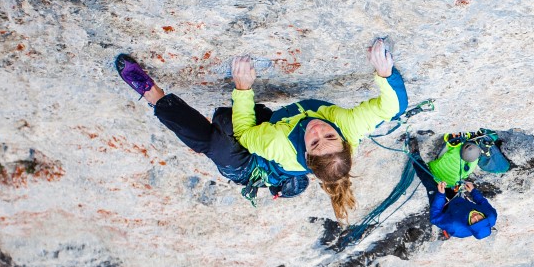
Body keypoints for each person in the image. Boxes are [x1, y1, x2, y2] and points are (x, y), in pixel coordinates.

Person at [114, 39, 407, 220]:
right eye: (330, 136)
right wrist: (384, 72)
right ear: (345, 140)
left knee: (216, 143)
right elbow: (393, 108)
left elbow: (242, 132)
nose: (318, 130)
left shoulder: (278, 144)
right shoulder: (350, 128)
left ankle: (153, 94)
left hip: (251, 160)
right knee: (225, 134)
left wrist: (243, 89)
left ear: (306, 155)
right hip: (274, 127)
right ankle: (287, 184)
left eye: (315, 142)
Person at [410, 154, 497, 239]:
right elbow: (482, 202)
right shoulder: (490, 214)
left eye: (474, 222)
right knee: (449, 181)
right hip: (460, 203)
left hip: (443, 210)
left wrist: (440, 195)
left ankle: (415, 158)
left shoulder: (454, 227)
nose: (475, 217)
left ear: (469, 225)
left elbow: (435, 218)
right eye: (480, 218)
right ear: (485, 217)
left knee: (430, 183)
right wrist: (473, 191)